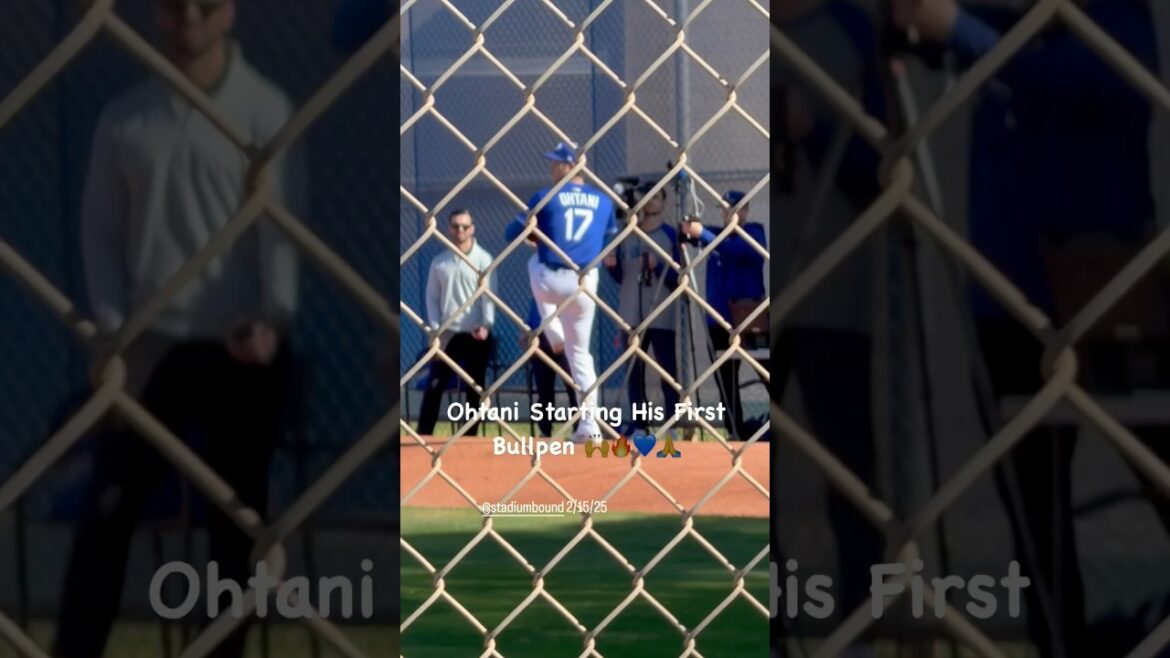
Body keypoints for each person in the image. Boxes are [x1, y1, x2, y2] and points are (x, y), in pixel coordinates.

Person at [897, 0, 1166, 654]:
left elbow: (1101, 77)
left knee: (1154, 465)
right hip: (1006, 292)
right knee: (1034, 511)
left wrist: (960, 30)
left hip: (1101, 287)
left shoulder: (1111, 16)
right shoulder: (1008, 21)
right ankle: (1060, 642)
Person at [56, 1, 307, 657]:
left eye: (206, 4)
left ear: (231, 11)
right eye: (173, 5)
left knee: (237, 512)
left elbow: (282, 233)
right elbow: (101, 236)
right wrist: (117, 335)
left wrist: (272, 319)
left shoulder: (265, 110)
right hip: (154, 347)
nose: (190, 17)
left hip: (238, 345)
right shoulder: (126, 120)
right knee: (108, 504)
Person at [505, 141, 618, 444]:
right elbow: (608, 239)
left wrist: (537, 232)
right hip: (585, 282)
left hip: (551, 280)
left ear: (571, 166)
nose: (553, 168)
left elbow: (510, 234)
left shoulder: (546, 196)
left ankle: (552, 330)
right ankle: (590, 426)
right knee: (580, 355)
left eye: (557, 163)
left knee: (533, 262)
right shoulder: (604, 200)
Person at [680, 190, 767, 439]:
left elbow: (736, 249)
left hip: (749, 317)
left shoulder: (754, 232)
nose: (729, 213)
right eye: (726, 209)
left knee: (766, 369)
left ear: (745, 210)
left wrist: (703, 234)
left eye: (735, 208)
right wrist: (689, 228)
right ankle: (735, 430)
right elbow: (692, 236)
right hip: (718, 319)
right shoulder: (716, 234)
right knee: (725, 379)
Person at [603, 183, 680, 435]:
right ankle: (639, 424)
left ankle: (671, 424)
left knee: (667, 371)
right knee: (633, 373)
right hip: (630, 313)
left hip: (660, 313)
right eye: (647, 197)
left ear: (664, 203)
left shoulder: (669, 235)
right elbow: (621, 276)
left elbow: (678, 279)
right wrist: (612, 266)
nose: (651, 202)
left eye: (657, 197)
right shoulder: (627, 234)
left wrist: (659, 266)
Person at [418, 209, 496, 436]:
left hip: (475, 333)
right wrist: (436, 329)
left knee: (475, 387)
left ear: (472, 229)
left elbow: (489, 296)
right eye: (455, 226)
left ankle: (469, 438)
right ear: (448, 229)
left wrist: (486, 324)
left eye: (464, 226)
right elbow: (432, 298)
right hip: (448, 334)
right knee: (435, 384)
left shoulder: (484, 260)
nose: (460, 230)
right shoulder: (440, 262)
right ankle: (423, 435)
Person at [524, 299, 578, 437]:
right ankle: (545, 429)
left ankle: (579, 427)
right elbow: (535, 312)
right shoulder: (539, 288)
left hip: (564, 332)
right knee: (544, 388)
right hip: (540, 336)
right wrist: (528, 330)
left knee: (573, 385)